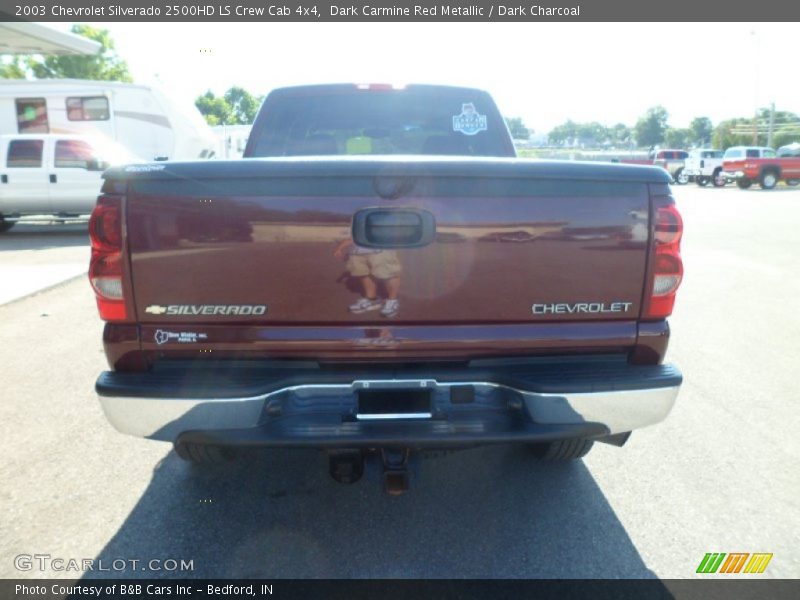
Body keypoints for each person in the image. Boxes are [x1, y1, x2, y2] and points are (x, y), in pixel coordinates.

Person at [333, 239, 402, 317]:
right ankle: (372, 300)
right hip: (357, 250)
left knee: (390, 274)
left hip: (380, 249)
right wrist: (340, 247)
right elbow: (353, 235)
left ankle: (392, 300)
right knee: (363, 273)